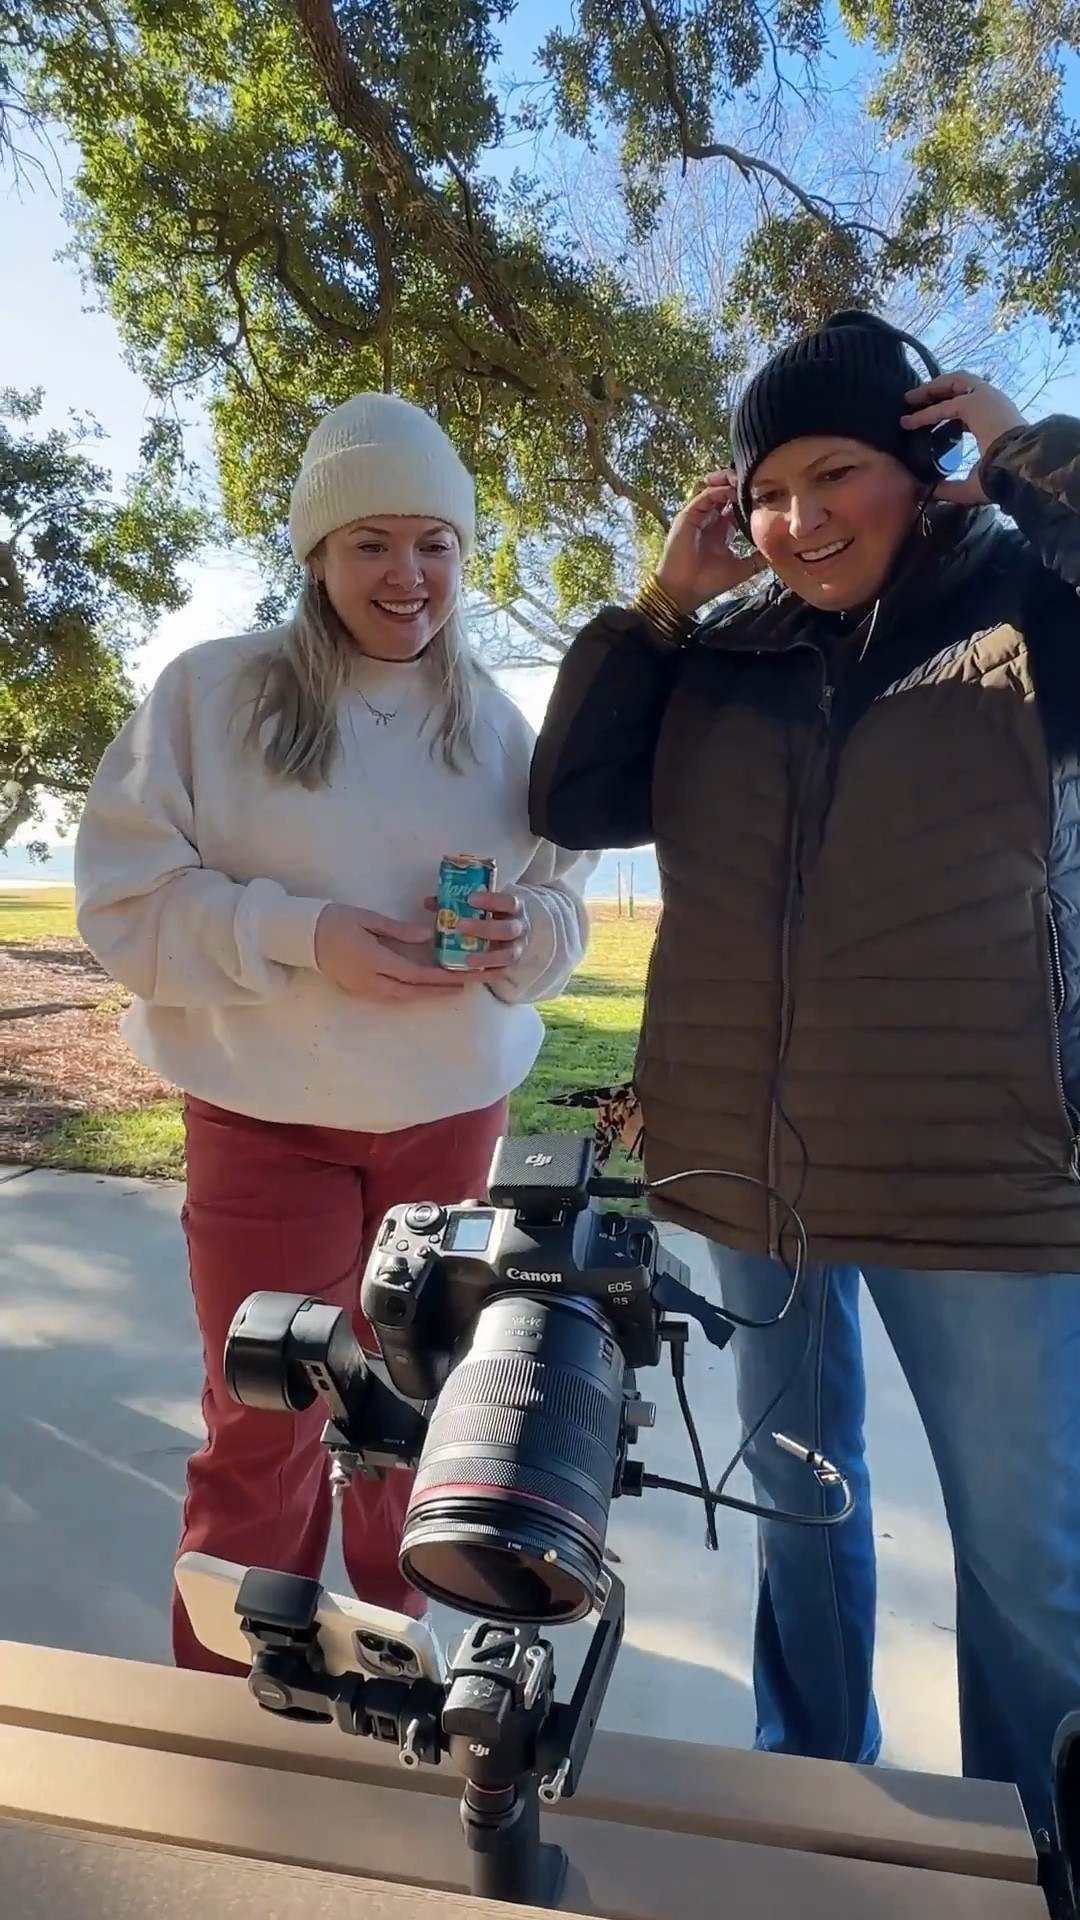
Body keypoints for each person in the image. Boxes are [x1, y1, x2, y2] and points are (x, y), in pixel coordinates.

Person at [529, 308, 1080, 1830]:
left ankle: (1031, 1848)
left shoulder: (1027, 608)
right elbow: (571, 789)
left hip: (975, 1168)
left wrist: (1036, 459)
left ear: (927, 461)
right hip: (747, 1167)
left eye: (837, 471)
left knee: (1025, 1557)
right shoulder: (726, 654)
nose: (799, 518)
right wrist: (660, 605)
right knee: (796, 1509)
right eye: (768, 490)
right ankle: (812, 1813)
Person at [75, 391, 594, 1673]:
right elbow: (122, 905)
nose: (406, 576)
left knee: (419, 1412)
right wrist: (306, 935)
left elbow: (564, 903)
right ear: (315, 552)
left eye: (436, 543)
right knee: (266, 1414)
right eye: (370, 542)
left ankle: (391, 1679)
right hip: (262, 1121)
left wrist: (526, 939)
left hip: (449, 1120)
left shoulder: (497, 725)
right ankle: (224, 1703)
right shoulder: (213, 694)